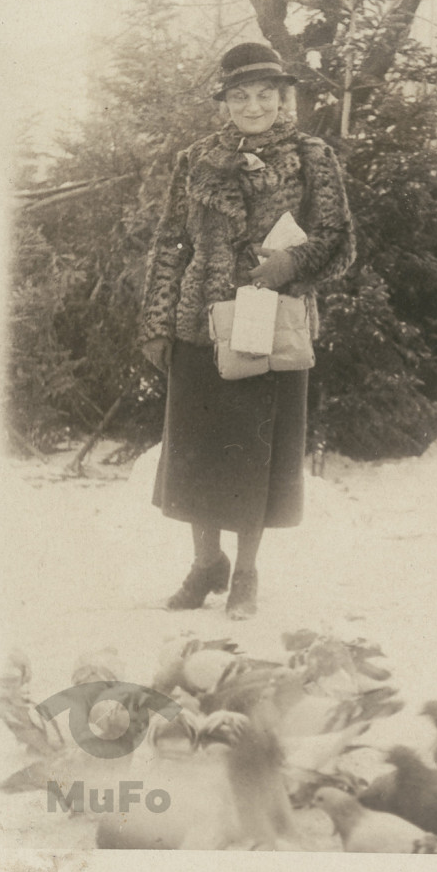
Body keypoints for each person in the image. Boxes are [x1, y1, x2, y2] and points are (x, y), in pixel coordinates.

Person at [140, 42, 355, 619]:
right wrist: (158, 322)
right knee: (198, 452)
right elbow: (169, 242)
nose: (254, 106)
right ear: (225, 102)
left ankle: (247, 573)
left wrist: (291, 265)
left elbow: (338, 240)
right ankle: (205, 565)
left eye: (265, 94)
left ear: (283, 99)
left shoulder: (312, 155)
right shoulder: (196, 159)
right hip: (198, 324)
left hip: (268, 320)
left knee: (255, 453)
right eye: (241, 96)